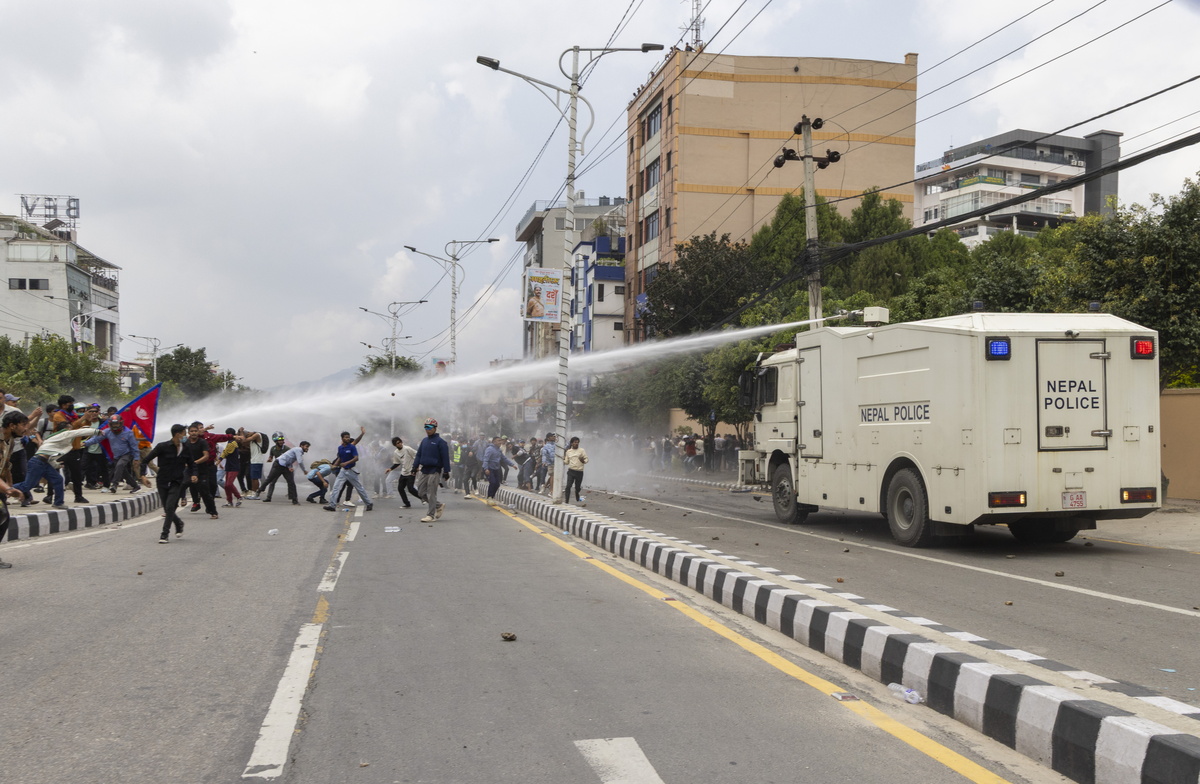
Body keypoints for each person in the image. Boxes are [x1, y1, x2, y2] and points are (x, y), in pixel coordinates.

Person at [14, 407, 102, 509]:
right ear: (65, 430)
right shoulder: (63, 434)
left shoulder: (60, 441)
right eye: (70, 428)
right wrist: (96, 431)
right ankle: (6, 489)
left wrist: (56, 465)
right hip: (37, 462)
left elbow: (50, 457)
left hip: (43, 463)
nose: (71, 430)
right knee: (27, 485)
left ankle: (58, 502)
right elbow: (78, 432)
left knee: (58, 479)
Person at [144, 424, 193, 542]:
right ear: (178, 434)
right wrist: (142, 476)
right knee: (167, 508)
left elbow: (192, 464)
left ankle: (164, 534)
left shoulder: (186, 448)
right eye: (184, 433)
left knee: (170, 506)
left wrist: (194, 474)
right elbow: (145, 460)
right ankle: (179, 523)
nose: (186, 436)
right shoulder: (162, 447)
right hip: (162, 481)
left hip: (177, 481)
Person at [0, 411, 33, 568]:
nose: (26, 429)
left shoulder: (11, 441)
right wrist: (8, 489)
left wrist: (10, 487)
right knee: (2, 515)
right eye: (23, 425)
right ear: (12, 426)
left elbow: (6, 467)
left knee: (3, 519)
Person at [85, 416, 143, 494]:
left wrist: (136, 458)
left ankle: (114, 485)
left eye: (117, 424)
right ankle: (136, 486)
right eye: (113, 424)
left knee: (120, 465)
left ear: (121, 423)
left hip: (126, 454)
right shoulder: (107, 432)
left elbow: (134, 446)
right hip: (116, 456)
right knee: (123, 472)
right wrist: (85, 443)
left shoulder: (128, 433)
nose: (115, 426)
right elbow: (96, 439)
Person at [411, 417, 450, 522]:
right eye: (426, 427)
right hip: (424, 470)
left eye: (429, 427)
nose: (427, 429)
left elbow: (445, 458)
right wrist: (414, 467)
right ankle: (439, 505)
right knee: (420, 493)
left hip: (435, 470)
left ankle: (430, 515)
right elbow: (418, 455)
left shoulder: (441, 442)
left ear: (435, 428)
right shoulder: (424, 441)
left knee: (431, 493)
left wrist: (446, 471)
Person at [324, 429, 372, 512]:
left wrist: (346, 463)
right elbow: (339, 458)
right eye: (346, 437)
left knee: (359, 488)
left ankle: (368, 503)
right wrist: (334, 465)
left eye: (349, 437)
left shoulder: (352, 447)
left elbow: (356, 458)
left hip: (351, 471)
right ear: (342, 438)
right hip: (343, 471)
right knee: (336, 488)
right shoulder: (340, 448)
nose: (348, 438)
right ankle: (332, 505)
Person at [180, 423, 220, 519]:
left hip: (201, 470)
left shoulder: (202, 442)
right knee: (181, 485)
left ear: (198, 432)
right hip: (189, 470)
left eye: (195, 431)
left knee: (205, 492)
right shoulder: (185, 442)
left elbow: (206, 456)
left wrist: (194, 462)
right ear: (188, 433)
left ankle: (213, 511)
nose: (193, 433)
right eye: (191, 431)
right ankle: (170, 509)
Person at [262, 438, 310, 505]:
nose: (281, 442)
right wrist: (270, 459)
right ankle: (266, 495)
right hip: (278, 465)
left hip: (286, 467)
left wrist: (290, 467)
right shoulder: (273, 448)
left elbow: (290, 459)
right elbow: (271, 456)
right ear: (276, 442)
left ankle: (294, 499)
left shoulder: (287, 448)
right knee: (271, 480)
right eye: (279, 441)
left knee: (291, 482)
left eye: (282, 441)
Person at [481, 436, 516, 506]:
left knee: (497, 484)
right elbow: (486, 459)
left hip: (496, 469)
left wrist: (512, 465)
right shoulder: (490, 449)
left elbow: (504, 458)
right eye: (498, 441)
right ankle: (489, 498)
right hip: (489, 469)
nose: (500, 442)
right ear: (494, 442)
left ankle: (491, 497)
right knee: (493, 482)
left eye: (500, 441)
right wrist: (486, 469)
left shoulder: (498, 450)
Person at [384, 436, 417, 508]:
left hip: (411, 471)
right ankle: (407, 504)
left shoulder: (407, 449)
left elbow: (417, 455)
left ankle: (424, 498)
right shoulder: (396, 452)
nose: (400, 444)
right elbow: (397, 463)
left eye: (400, 442)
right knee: (400, 488)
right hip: (404, 472)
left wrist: (416, 467)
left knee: (411, 489)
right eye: (397, 443)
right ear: (395, 445)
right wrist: (390, 469)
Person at [564, 436, 588, 503]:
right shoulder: (568, 452)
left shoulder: (582, 450)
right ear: (571, 443)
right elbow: (566, 462)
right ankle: (567, 501)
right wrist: (562, 459)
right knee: (568, 486)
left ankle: (577, 493)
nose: (576, 444)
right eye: (575, 442)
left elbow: (586, 459)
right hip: (571, 471)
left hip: (579, 471)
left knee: (577, 487)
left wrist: (583, 460)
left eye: (577, 442)